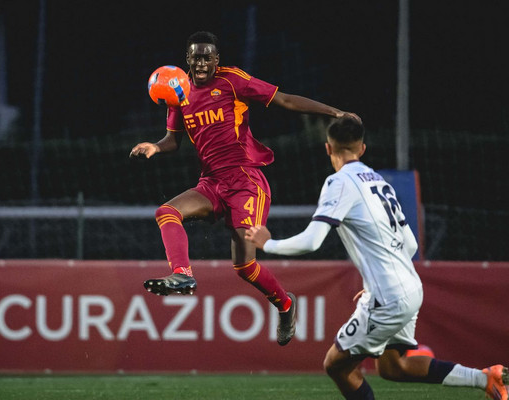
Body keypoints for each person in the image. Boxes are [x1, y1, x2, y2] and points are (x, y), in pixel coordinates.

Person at [245, 115, 508, 398]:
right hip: (410, 287)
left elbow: (312, 241)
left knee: (336, 365)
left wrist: (268, 243)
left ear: (328, 148)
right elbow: (409, 244)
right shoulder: (380, 182)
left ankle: (488, 380)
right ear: (362, 148)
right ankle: (486, 379)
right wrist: (376, 284)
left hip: (389, 295)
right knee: (394, 367)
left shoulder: (339, 182)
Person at [130, 31, 352, 346]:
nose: (201, 63)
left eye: (207, 57)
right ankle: (182, 274)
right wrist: (155, 146)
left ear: (217, 60)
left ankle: (285, 305)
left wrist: (336, 113)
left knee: (245, 267)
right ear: (188, 59)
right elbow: (173, 140)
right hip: (211, 182)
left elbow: (285, 100)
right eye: (196, 57)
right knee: (166, 212)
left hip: (245, 181)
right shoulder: (178, 91)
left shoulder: (232, 80)